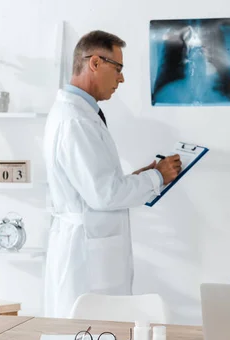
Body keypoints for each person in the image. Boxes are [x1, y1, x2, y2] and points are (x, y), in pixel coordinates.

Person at [43, 30, 181, 318]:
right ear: (95, 63)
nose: (121, 79)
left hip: (90, 243)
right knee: (91, 338)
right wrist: (156, 178)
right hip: (86, 256)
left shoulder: (79, 115)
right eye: (117, 69)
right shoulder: (75, 121)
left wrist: (139, 177)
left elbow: (96, 183)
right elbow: (104, 195)